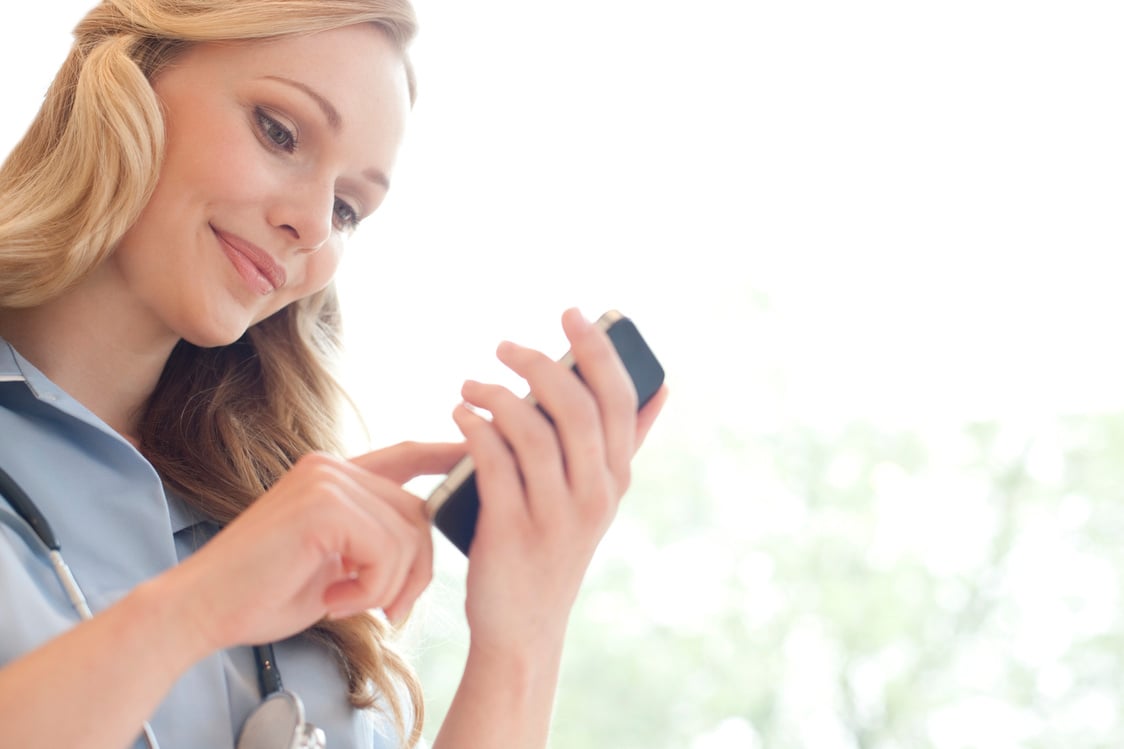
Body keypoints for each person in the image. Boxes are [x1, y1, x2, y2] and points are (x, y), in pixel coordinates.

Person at [0, 1, 668, 748]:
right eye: (279, 131)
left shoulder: (291, 542)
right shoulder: (259, 556)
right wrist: (197, 605)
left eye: (349, 209)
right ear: (127, 78)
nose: (314, 225)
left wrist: (524, 634)